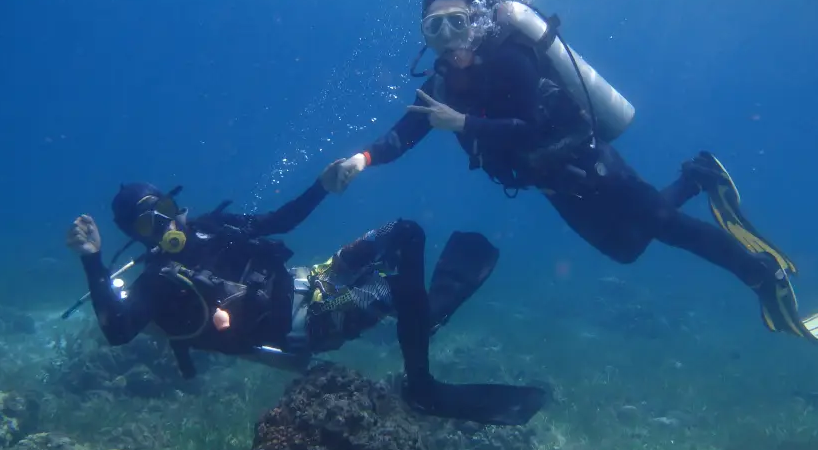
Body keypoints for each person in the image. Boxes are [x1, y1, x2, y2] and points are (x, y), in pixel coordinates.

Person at [323, 0, 818, 344]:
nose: (446, 37)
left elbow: (530, 126)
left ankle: (763, 275)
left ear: (479, 21)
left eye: (456, 22)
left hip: (588, 163)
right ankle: (695, 174)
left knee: (667, 229)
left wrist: (465, 123)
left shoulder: (510, 59)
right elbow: (411, 128)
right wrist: (361, 160)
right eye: (433, 27)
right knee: (627, 249)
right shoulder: (445, 78)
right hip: (552, 183)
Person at [64, 161, 548, 425]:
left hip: (312, 277)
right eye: (149, 222)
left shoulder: (215, 227)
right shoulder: (157, 281)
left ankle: (415, 321)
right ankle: (422, 380)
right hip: (313, 320)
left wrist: (322, 185)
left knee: (403, 232)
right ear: (139, 235)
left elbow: (280, 221)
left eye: (166, 206)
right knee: (395, 293)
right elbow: (117, 331)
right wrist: (92, 259)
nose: (167, 222)